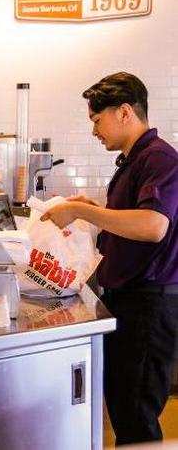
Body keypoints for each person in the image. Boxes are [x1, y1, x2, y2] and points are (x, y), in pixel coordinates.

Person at [42, 72, 178, 445]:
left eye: (96, 120)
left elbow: (153, 226)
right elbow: (132, 218)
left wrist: (83, 213)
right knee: (124, 406)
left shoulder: (159, 158)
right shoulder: (134, 160)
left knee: (135, 415)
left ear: (123, 112)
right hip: (131, 299)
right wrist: (94, 206)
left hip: (148, 304)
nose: (94, 130)